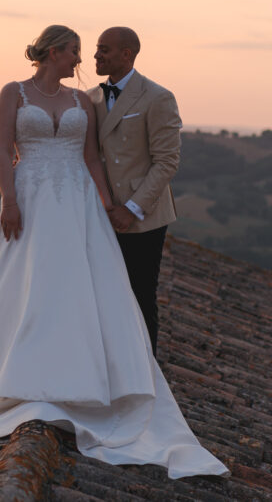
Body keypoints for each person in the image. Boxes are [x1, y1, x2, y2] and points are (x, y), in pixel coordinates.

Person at [0, 25, 227, 479]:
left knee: (85, 290)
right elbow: (0, 152)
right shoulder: (13, 93)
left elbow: (93, 159)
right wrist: (8, 201)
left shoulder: (82, 103)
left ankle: (110, 381)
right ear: (53, 51)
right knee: (29, 287)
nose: (84, 57)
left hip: (80, 204)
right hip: (31, 199)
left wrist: (110, 207)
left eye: (96, 50)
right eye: (77, 50)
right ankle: (25, 377)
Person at [92, 27, 180, 357]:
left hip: (143, 216)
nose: (96, 56)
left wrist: (131, 208)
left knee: (140, 295)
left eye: (104, 50)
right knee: (102, 294)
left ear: (126, 54)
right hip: (100, 213)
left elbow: (167, 161)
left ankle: (144, 374)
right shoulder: (91, 97)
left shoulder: (158, 97)